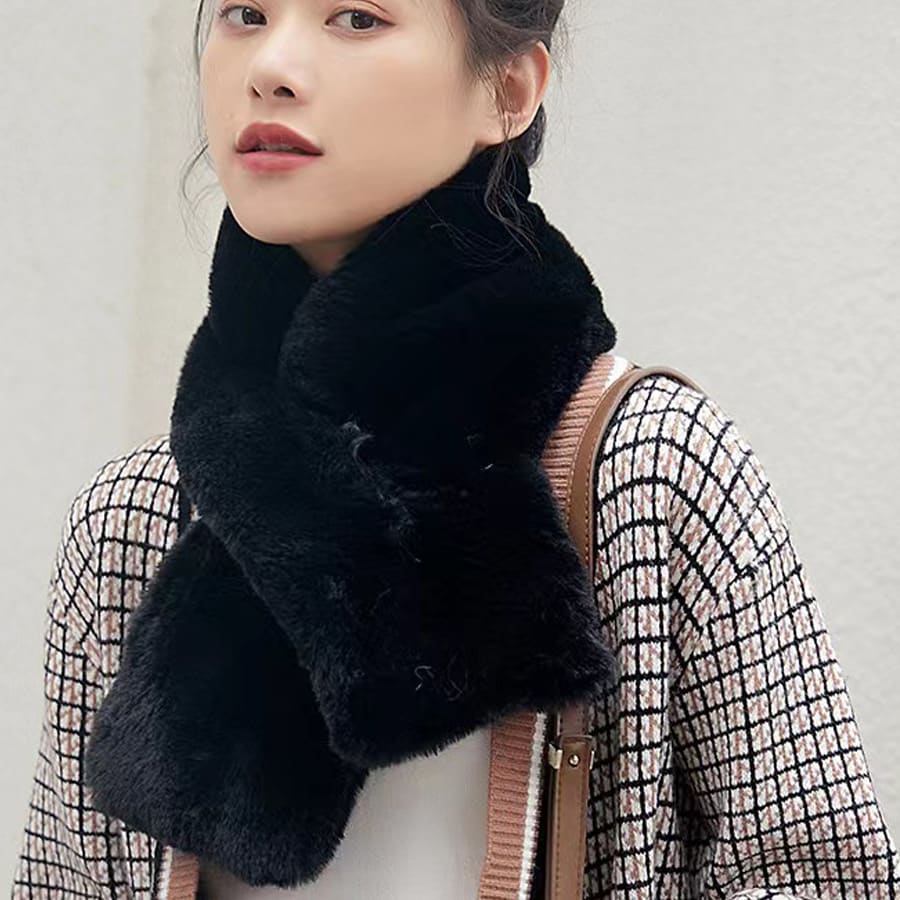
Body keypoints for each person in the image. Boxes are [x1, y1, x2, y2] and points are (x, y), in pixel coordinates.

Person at [11, 1, 899, 898]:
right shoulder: (131, 521)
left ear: (508, 89)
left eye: (356, 18)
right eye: (245, 13)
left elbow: (822, 876)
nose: (270, 67)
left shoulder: (652, 467)